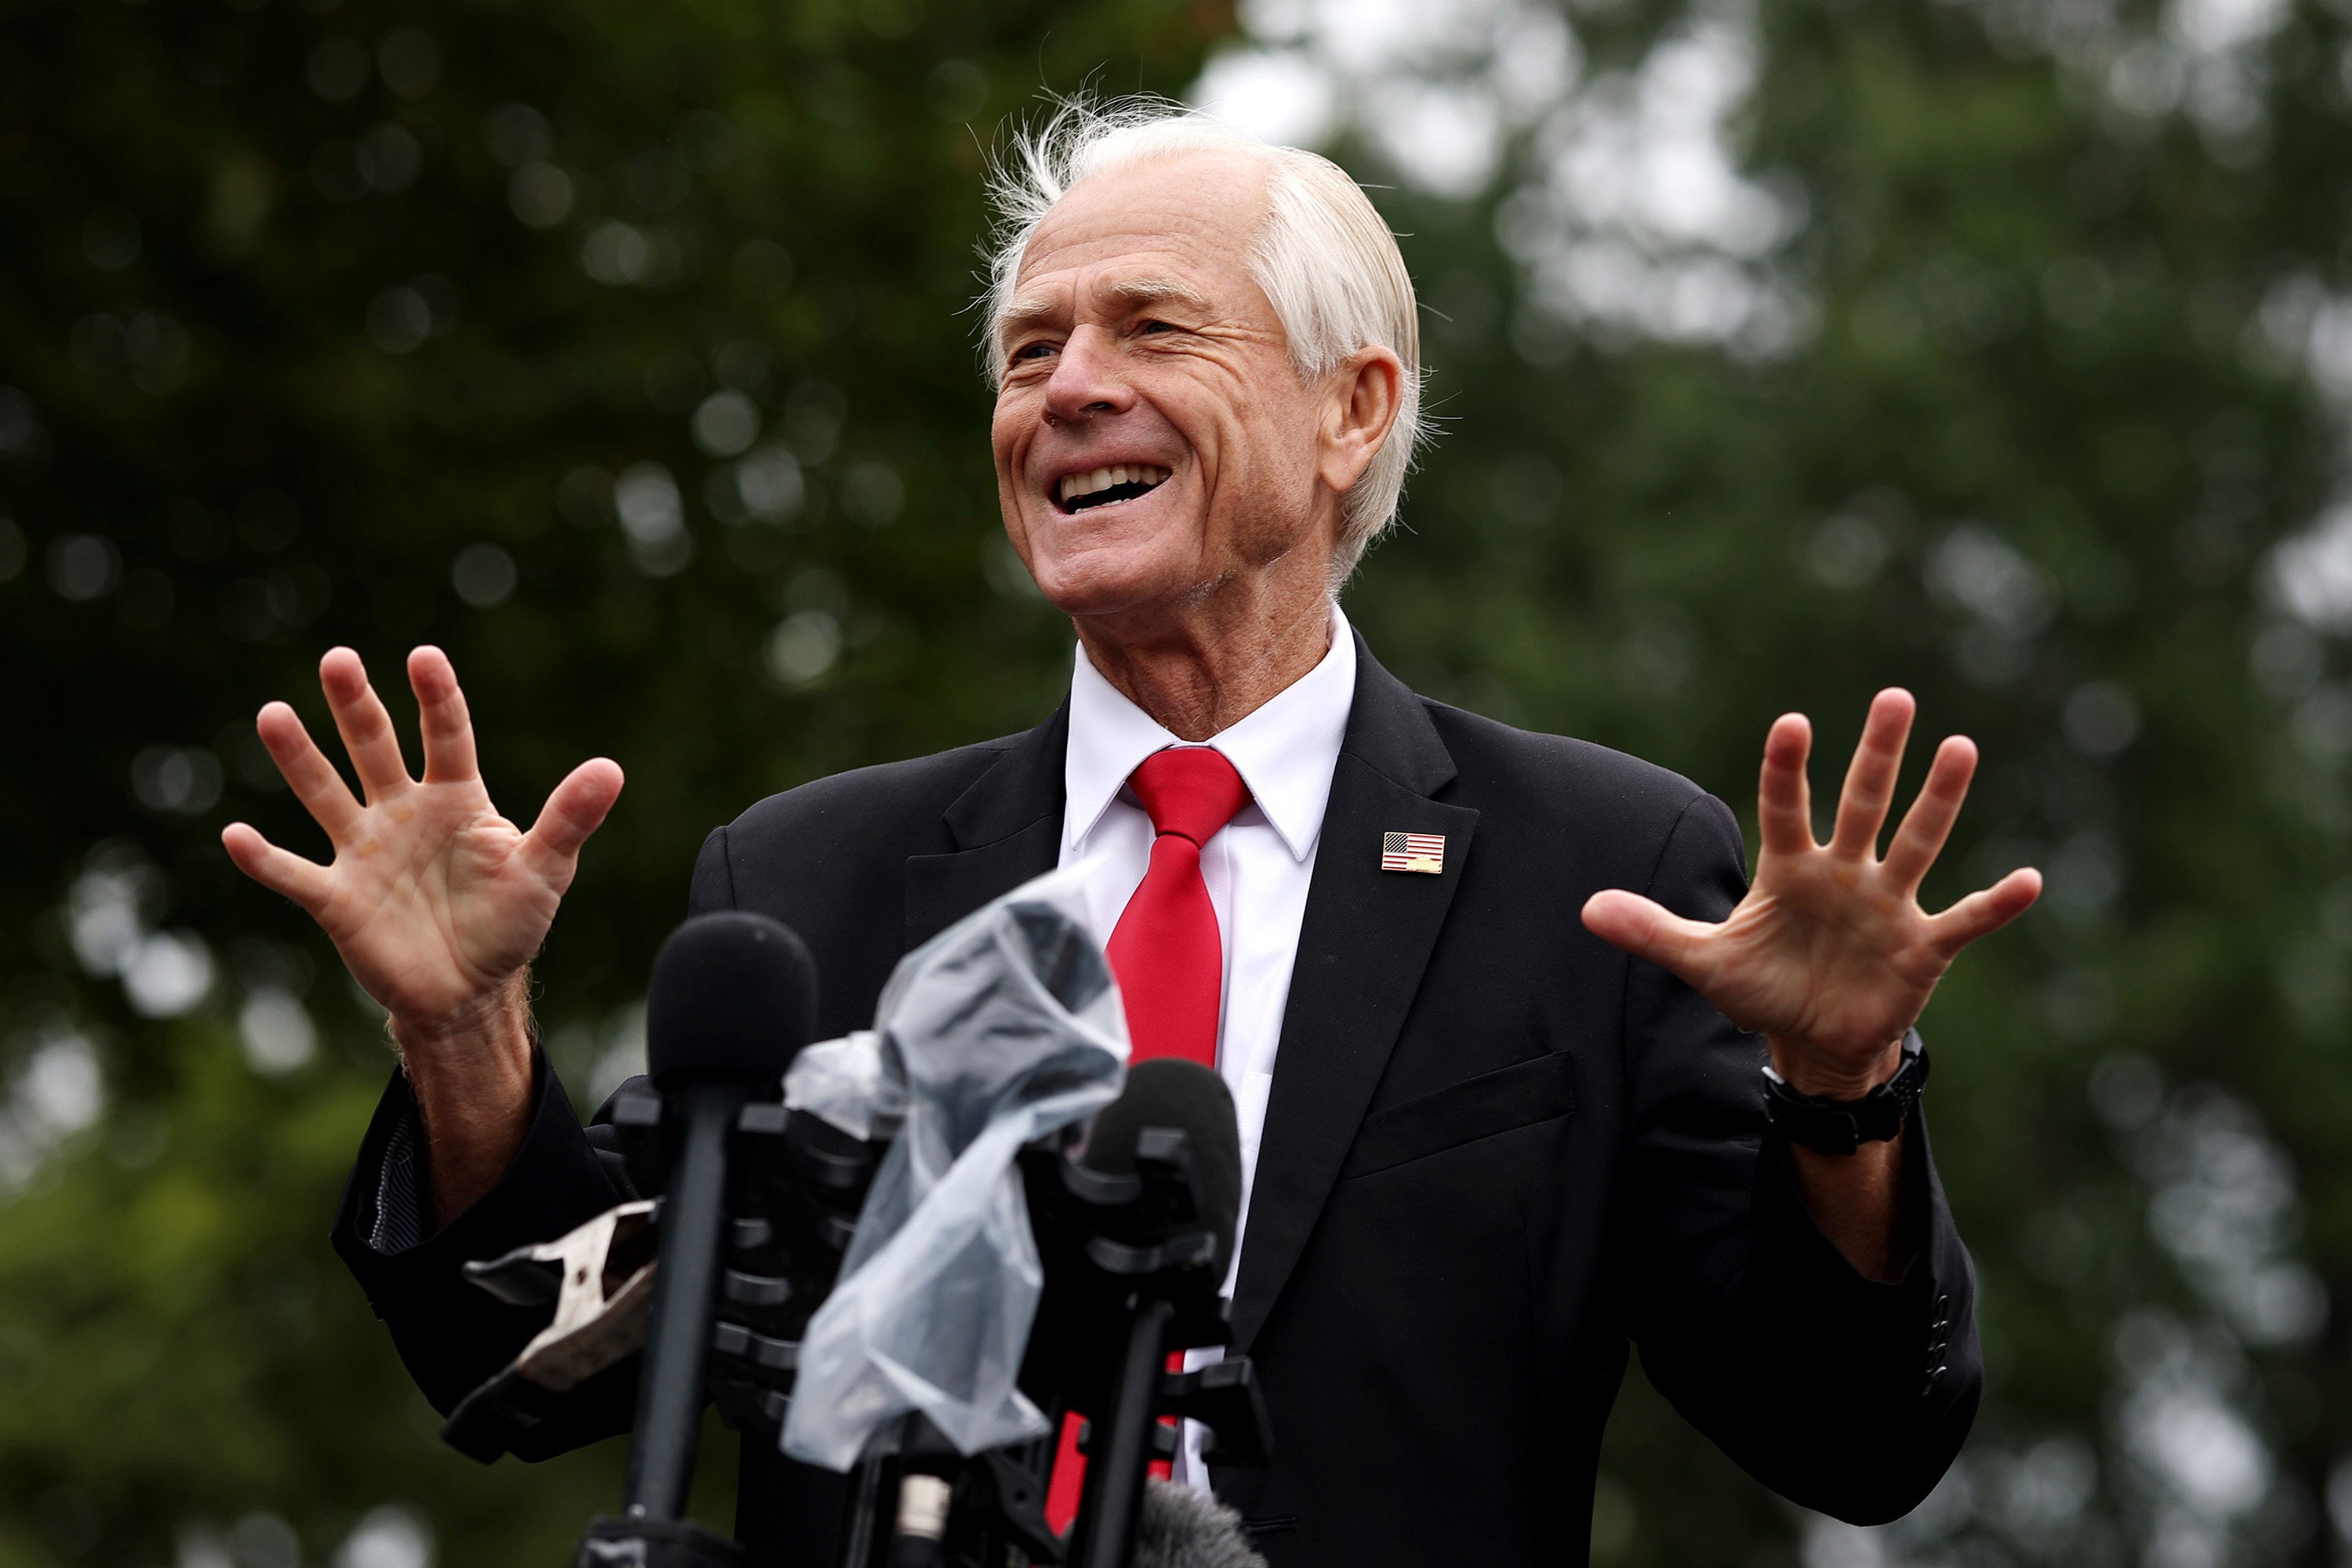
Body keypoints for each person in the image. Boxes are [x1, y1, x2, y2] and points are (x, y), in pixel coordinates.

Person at [222, 102, 2041, 1567]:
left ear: (1351, 411)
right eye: (1029, 351)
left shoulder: (1597, 867)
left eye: (1149, 328)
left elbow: (1856, 1437)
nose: (1062, 389)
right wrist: (464, 1032)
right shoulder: (806, 880)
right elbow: (529, 1367)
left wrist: (1844, 1092)